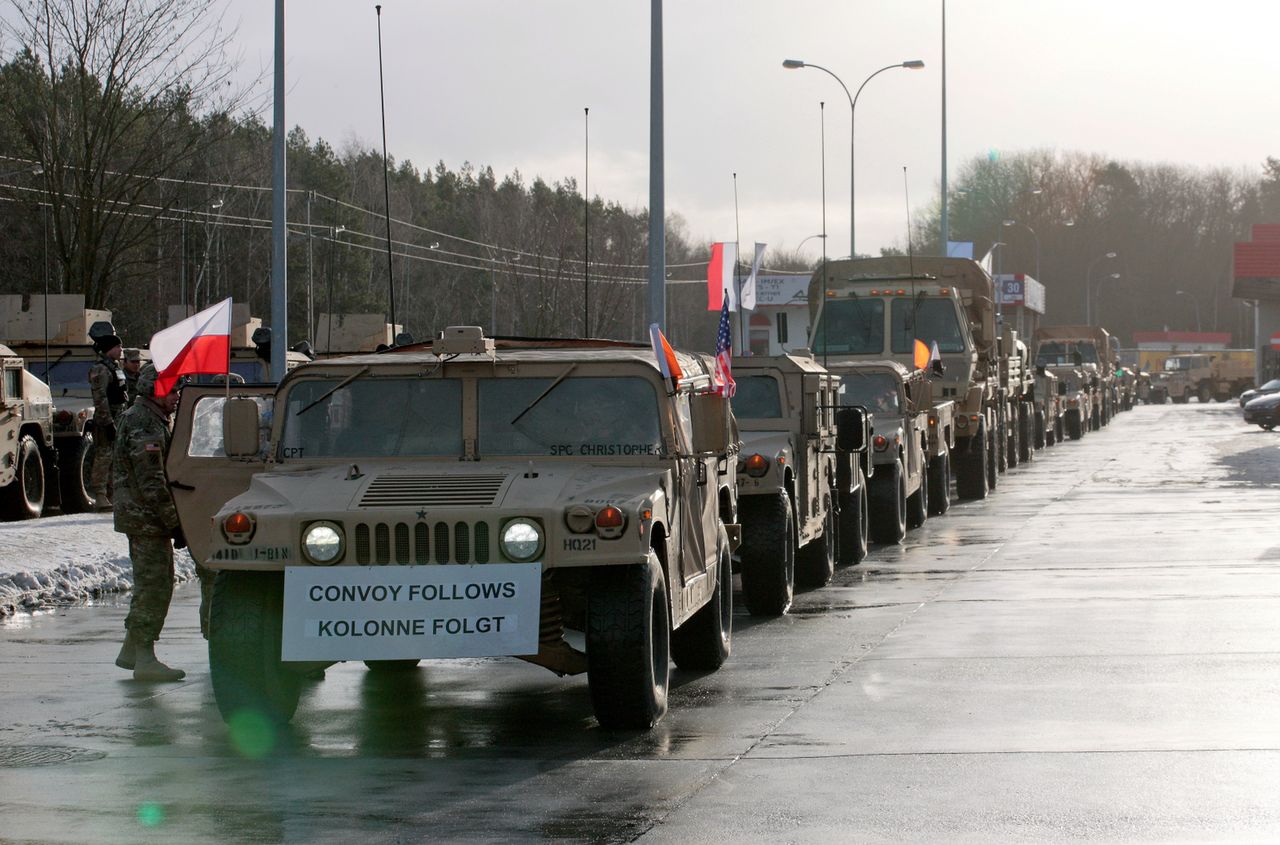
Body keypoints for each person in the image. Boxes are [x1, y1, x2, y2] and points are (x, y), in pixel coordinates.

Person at [112, 363, 187, 682]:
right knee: (155, 585)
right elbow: (152, 480)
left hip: (142, 515)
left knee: (152, 582)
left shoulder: (146, 417)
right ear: (156, 390)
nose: (176, 397)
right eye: (172, 390)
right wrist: (174, 522)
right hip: (146, 518)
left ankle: (132, 649)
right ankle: (144, 656)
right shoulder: (144, 422)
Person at [88, 333, 127, 510]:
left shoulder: (114, 367)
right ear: (109, 349)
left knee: (116, 457)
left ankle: (113, 493)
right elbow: (100, 397)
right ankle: (100, 494)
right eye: (118, 347)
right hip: (107, 418)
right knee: (104, 456)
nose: (121, 350)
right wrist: (107, 422)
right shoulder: (101, 369)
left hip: (119, 416)